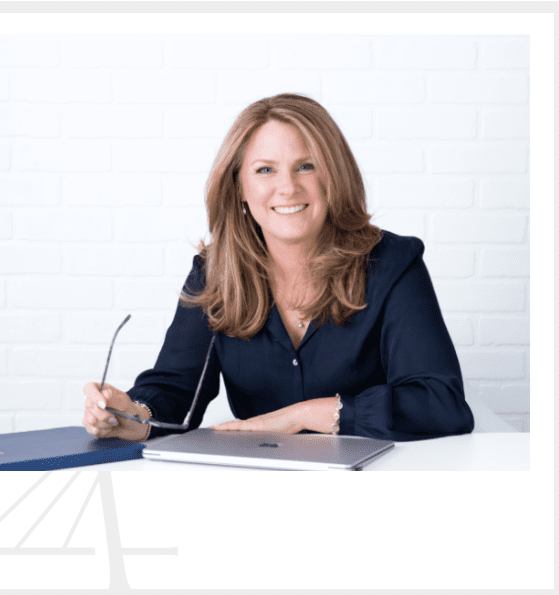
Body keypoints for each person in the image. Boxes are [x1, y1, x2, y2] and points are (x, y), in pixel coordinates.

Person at [82, 93, 474, 443]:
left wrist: (304, 415)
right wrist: (133, 415)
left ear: (334, 177)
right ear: (239, 187)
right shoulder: (215, 271)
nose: (287, 188)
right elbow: (176, 391)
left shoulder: (391, 263)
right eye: (265, 170)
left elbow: (440, 402)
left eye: (306, 166)